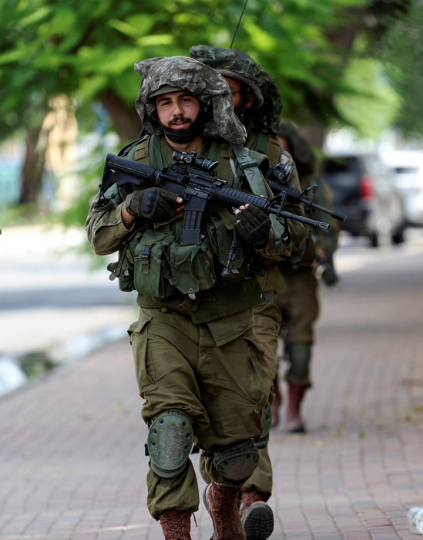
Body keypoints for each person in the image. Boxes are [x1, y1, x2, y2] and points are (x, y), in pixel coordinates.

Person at [86, 56, 295, 540]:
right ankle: (176, 531)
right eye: (165, 103)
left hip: (233, 321)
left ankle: (223, 507)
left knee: (239, 455)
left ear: (206, 105)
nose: (176, 112)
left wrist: (266, 232)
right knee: (170, 431)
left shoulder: (245, 163)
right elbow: (98, 235)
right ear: (152, 108)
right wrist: (134, 210)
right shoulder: (136, 160)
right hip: (165, 322)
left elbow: (288, 242)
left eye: (185, 101)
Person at [190, 45, 313, 540]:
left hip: (254, 297)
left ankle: (251, 497)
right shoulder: (179, 144)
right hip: (189, 302)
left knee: (253, 400)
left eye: (231, 92)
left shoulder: (272, 156)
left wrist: (267, 233)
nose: (220, 99)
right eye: (212, 91)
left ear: (249, 99)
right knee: (192, 413)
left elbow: (300, 233)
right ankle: (218, 497)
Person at [274, 122, 341, 433]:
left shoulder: (309, 184)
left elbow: (328, 228)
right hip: (261, 280)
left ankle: (295, 410)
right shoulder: (247, 180)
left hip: (300, 279)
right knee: (259, 349)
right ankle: (272, 404)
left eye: (281, 144)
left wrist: (320, 250)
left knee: (300, 349)